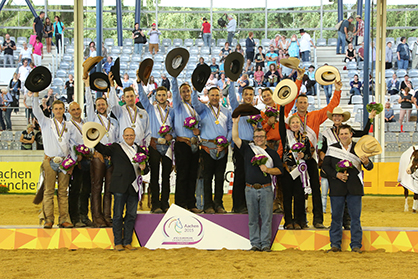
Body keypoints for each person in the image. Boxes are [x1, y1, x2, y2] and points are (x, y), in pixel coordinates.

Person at [287, 80, 343, 228]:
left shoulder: (315, 116)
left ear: (307, 104)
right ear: (296, 104)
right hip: (297, 160)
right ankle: (301, 220)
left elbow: (330, 108)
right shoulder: (291, 120)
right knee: (298, 191)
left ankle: (318, 220)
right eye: (300, 102)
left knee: (316, 190)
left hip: (311, 157)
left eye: (305, 102)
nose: (302, 104)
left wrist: (337, 90)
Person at [232, 116, 283, 251]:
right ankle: (255, 243)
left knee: (267, 218)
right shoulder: (248, 149)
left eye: (261, 136)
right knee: (253, 218)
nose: (259, 139)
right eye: (256, 137)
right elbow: (235, 139)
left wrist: (268, 170)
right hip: (250, 189)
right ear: (253, 138)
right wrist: (235, 123)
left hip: (266, 189)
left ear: (265, 138)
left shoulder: (272, 153)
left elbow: (279, 170)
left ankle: (265, 244)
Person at [94, 127, 149, 251]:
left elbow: (146, 170)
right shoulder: (116, 147)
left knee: (131, 215)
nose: (129, 137)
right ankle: (118, 242)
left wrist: (144, 167)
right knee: (118, 215)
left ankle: (127, 242)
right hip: (119, 185)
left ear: (134, 136)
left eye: (131, 135)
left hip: (134, 187)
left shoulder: (140, 150)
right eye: (127, 135)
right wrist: (92, 139)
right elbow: (102, 149)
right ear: (123, 136)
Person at [323, 124, 374, 253]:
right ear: (338, 135)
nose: (344, 136)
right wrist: (337, 174)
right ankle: (335, 244)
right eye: (341, 134)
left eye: (346, 133)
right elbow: (325, 167)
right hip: (337, 187)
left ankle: (356, 245)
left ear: (351, 134)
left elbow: (369, 167)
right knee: (336, 217)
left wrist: (367, 162)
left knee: (355, 218)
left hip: (354, 188)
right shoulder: (332, 148)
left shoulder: (359, 148)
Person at [319, 107, 375, 220]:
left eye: (339, 116)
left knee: (347, 197)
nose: (337, 117)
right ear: (332, 118)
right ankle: (329, 217)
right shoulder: (326, 133)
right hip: (333, 168)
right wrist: (328, 161)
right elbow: (322, 150)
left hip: (349, 170)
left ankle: (347, 221)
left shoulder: (349, 131)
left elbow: (364, 133)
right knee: (332, 197)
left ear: (343, 118)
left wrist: (370, 119)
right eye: (335, 116)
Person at [32, 91, 74, 228]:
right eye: (56, 108)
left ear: (64, 110)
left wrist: (72, 163)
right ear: (52, 110)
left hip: (64, 162)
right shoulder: (46, 123)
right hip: (49, 160)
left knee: (63, 192)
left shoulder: (69, 126)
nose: (58, 111)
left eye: (60, 108)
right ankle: (48, 219)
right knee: (48, 191)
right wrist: (35, 95)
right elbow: (36, 111)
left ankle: (64, 219)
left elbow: (73, 146)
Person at [85, 74, 119, 227]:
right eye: (98, 104)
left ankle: (107, 216)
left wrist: (111, 86)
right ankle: (97, 217)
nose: (100, 106)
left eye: (102, 104)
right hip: (98, 157)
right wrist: (87, 85)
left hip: (111, 158)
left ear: (106, 106)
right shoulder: (93, 118)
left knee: (110, 188)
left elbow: (117, 140)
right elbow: (88, 101)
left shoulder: (113, 122)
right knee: (97, 187)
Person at [192, 86, 232, 213]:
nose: (214, 98)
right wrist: (194, 90)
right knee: (207, 177)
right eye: (212, 95)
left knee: (220, 178)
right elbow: (194, 103)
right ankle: (207, 205)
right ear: (208, 96)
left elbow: (231, 128)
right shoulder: (203, 109)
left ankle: (219, 204)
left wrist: (226, 142)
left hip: (223, 148)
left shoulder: (226, 111)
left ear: (220, 96)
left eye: (216, 95)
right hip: (207, 147)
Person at [138, 83, 175, 213]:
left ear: (167, 96)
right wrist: (139, 83)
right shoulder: (151, 109)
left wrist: (172, 135)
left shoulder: (172, 111)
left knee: (166, 176)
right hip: (154, 144)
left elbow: (176, 128)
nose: (161, 97)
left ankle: (165, 203)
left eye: (163, 95)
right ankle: (155, 204)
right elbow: (142, 98)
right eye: (159, 95)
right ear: (156, 96)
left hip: (167, 146)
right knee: (154, 176)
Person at [171, 78, 202, 213]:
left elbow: (200, 124)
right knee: (182, 175)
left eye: (188, 91)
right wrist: (174, 77)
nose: (186, 93)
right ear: (180, 93)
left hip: (194, 145)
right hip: (182, 143)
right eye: (183, 91)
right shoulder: (178, 106)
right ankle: (180, 203)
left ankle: (191, 203)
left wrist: (198, 130)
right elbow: (174, 91)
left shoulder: (195, 107)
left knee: (192, 175)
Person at [279, 107, 311, 230]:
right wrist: (282, 107)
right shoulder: (285, 136)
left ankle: (298, 221)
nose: (295, 124)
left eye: (297, 122)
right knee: (287, 197)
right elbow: (281, 124)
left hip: (300, 171)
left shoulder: (305, 138)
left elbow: (308, 154)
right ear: (289, 125)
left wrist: (304, 155)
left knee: (299, 197)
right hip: (287, 170)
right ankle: (288, 221)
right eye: (293, 122)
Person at [229, 84, 258, 214]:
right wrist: (231, 81)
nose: (248, 97)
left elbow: (260, 130)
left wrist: (257, 127)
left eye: (250, 94)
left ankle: (248, 205)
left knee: (250, 177)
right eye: (246, 94)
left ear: (253, 96)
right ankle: (237, 205)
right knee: (240, 176)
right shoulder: (237, 108)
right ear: (242, 95)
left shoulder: (256, 112)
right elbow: (231, 96)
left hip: (253, 147)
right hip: (240, 146)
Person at [67, 102, 92, 227]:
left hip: (88, 159)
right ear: (69, 111)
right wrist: (75, 154)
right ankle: (74, 217)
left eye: (78, 109)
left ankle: (84, 215)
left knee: (87, 189)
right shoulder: (68, 125)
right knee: (75, 189)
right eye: (73, 110)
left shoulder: (86, 124)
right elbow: (67, 143)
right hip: (75, 161)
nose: (76, 111)